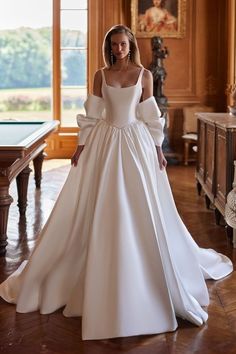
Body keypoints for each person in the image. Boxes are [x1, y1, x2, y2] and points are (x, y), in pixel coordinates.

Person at [0, 24, 233, 341]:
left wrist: (158, 152)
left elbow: (152, 119)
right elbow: (93, 114)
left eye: (122, 44)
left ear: (131, 45)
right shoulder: (101, 74)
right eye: (113, 45)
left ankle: (142, 263)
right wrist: (80, 149)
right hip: (105, 143)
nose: (118, 49)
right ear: (109, 47)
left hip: (136, 143)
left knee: (139, 203)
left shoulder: (144, 75)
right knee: (101, 203)